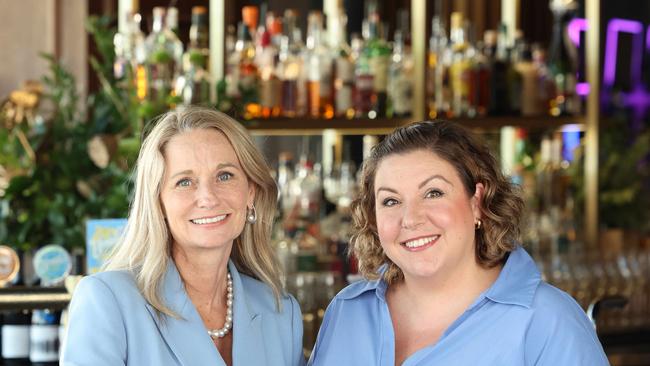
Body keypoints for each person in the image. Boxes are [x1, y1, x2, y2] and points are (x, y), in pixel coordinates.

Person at [309, 121, 608, 365]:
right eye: (390, 200)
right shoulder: (347, 311)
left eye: (434, 193)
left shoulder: (548, 321)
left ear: (477, 201)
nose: (410, 219)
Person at [62, 107, 305, 366]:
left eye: (225, 176)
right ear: (158, 203)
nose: (208, 198)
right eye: (184, 182)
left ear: (251, 193)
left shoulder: (281, 312)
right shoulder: (107, 302)